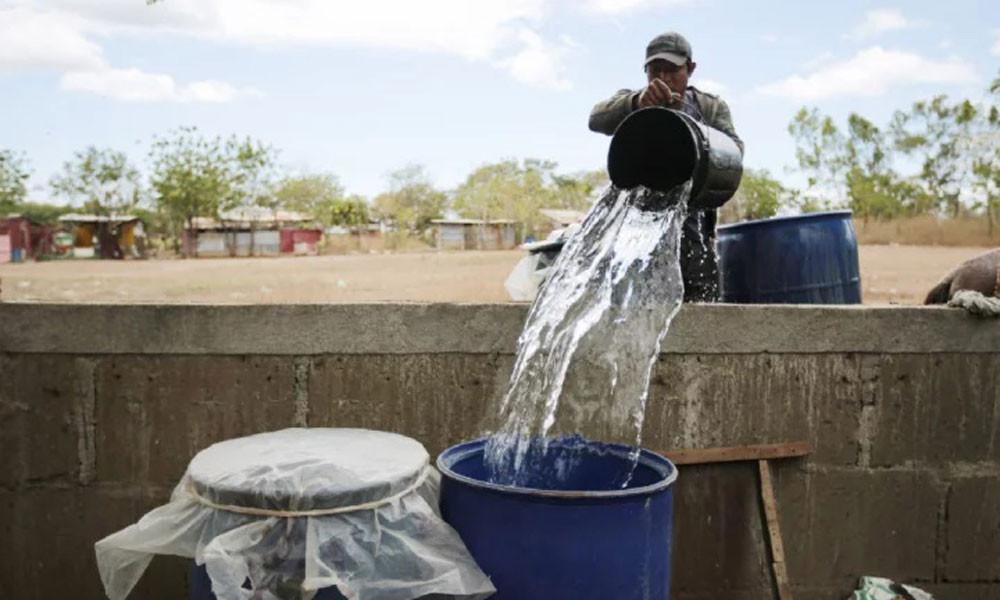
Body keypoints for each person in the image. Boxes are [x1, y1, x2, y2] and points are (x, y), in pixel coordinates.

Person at [589, 31, 743, 302]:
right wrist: (637, 103)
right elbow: (596, 119)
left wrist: (698, 138)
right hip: (639, 229)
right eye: (655, 71)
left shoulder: (709, 107)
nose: (663, 78)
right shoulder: (635, 101)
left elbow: (734, 153)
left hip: (695, 228)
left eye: (672, 70)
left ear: (690, 69)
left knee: (701, 303)